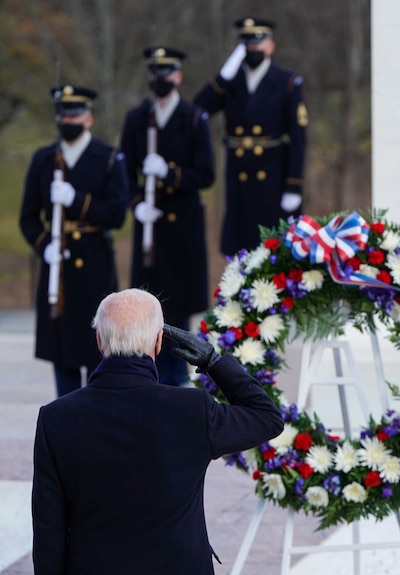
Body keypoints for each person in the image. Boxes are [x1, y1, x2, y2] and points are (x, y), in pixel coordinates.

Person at [31, 288, 284, 574]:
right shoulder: (191, 409)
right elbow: (267, 418)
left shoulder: (56, 418)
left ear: (99, 341)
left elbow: (48, 530)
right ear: (159, 342)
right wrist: (214, 362)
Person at [19, 85, 129, 397]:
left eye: (75, 113)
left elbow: (117, 214)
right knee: (64, 361)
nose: (69, 119)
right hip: (60, 276)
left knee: (99, 356)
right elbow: (27, 219)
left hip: (95, 266)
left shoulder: (108, 158)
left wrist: (77, 199)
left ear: (89, 118)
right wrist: (45, 245)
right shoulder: (44, 159)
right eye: (64, 113)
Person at [121, 46, 215, 386]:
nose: (161, 79)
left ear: (178, 76)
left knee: (178, 306)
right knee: (145, 304)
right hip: (151, 228)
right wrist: (136, 203)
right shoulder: (136, 119)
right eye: (155, 73)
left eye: (168, 72)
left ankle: (178, 379)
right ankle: (148, 376)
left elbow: (205, 174)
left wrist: (170, 173)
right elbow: (125, 173)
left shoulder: (193, 118)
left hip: (183, 227)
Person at [194, 16, 308, 257]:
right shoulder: (230, 81)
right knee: (239, 245)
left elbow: (298, 138)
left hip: (273, 175)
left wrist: (294, 185)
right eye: (247, 43)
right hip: (238, 175)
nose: (253, 48)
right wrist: (221, 78)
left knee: (272, 248)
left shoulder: (286, 82)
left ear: (270, 46)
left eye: (258, 42)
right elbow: (198, 110)